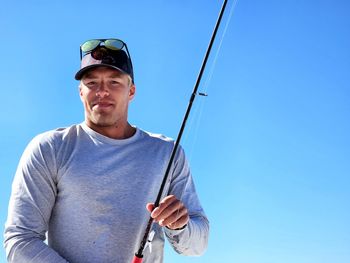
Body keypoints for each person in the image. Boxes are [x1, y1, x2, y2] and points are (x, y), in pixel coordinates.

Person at [4, 38, 209, 263]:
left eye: (114, 82)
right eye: (92, 83)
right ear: (80, 91)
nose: (102, 91)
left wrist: (180, 225)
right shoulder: (48, 148)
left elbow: (197, 245)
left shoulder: (167, 152)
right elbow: (19, 239)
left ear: (131, 91)